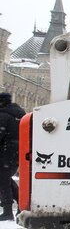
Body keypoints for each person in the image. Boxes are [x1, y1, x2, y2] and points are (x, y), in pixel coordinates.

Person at [0, 92, 25, 220]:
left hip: (5, 151)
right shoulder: (20, 114)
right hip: (18, 151)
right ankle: (21, 205)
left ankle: (8, 211)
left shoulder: (3, 115)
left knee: (3, 180)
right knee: (5, 179)